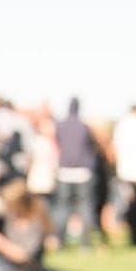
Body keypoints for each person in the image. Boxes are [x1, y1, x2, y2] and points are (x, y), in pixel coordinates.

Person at [53, 97, 98, 248]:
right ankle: (86, 244)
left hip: (65, 171)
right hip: (82, 172)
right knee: (85, 207)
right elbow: (90, 147)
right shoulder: (84, 126)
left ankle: (60, 241)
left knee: (62, 207)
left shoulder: (60, 125)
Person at [112, 103, 136, 245]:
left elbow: (115, 148)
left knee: (131, 204)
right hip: (131, 172)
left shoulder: (122, 124)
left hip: (126, 172)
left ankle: (134, 237)